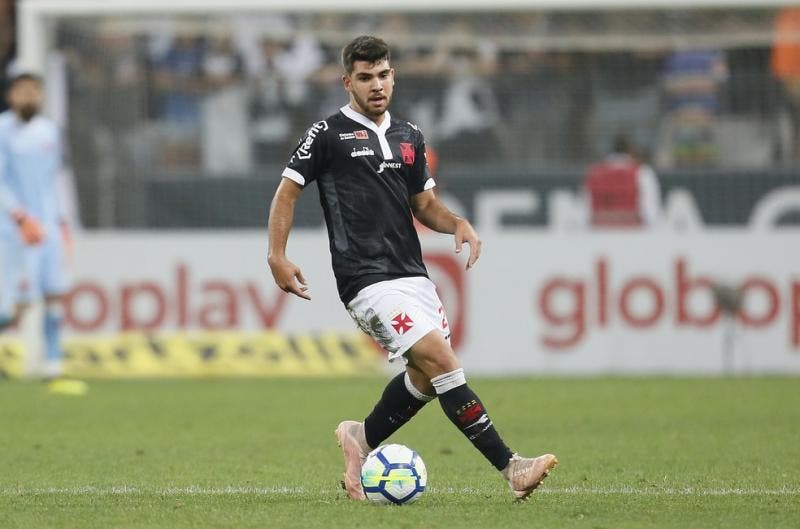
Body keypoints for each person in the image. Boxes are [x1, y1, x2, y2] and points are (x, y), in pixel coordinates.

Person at [266, 35, 557, 501]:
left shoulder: (410, 136)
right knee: (441, 360)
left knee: (425, 377)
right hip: (365, 280)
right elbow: (287, 192)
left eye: (383, 75)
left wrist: (457, 223)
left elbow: (424, 205)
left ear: (393, 76)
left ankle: (360, 437)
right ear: (347, 82)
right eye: (365, 77)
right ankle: (511, 466)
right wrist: (277, 255)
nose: (376, 85)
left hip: (413, 276)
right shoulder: (327, 134)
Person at [0, 73, 72, 378]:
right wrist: (19, 217)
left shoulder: (49, 132)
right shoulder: (2, 129)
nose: (29, 96)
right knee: (17, 306)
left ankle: (53, 364)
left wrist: (63, 222)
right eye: (23, 91)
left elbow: (56, 178)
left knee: (54, 292)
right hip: (15, 230)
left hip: (48, 226)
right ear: (11, 96)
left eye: (34, 91)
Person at [585, 135, 661, 228]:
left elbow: (586, 211)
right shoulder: (643, 172)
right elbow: (651, 211)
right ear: (630, 151)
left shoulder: (594, 173)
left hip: (598, 231)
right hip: (633, 231)